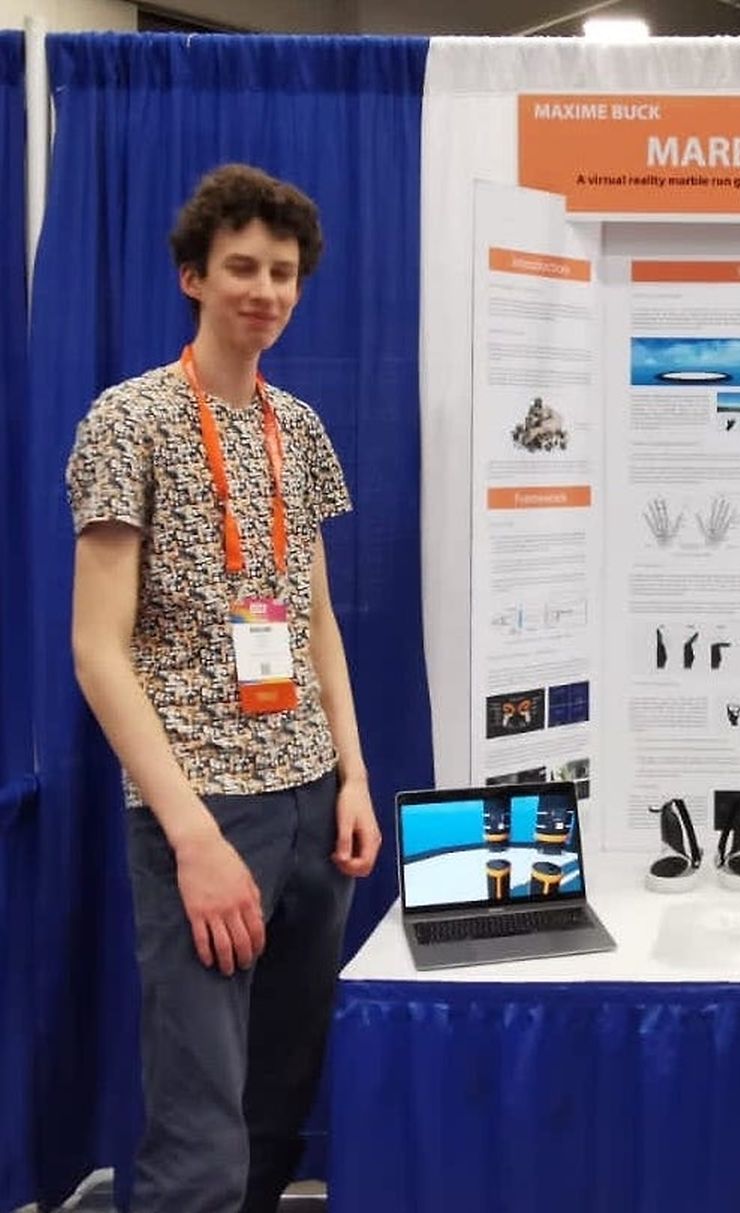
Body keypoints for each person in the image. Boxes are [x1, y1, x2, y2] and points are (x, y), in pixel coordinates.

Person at [65, 164, 382, 1213]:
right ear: (194, 277)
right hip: (200, 808)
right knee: (201, 1136)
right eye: (242, 267)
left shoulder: (301, 429)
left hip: (311, 803)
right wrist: (193, 837)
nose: (266, 290)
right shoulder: (130, 421)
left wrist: (352, 777)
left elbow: (315, 620)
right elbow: (98, 649)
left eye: (284, 272)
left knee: (277, 1105)